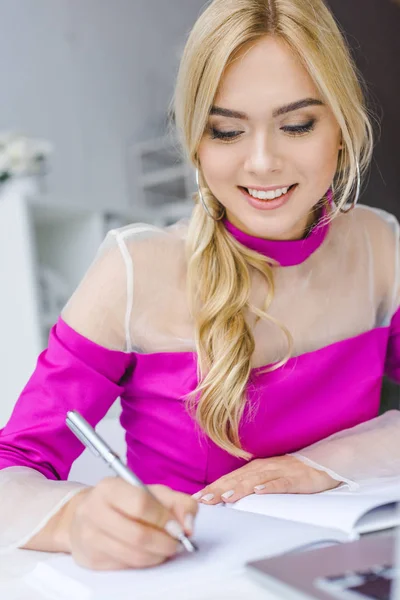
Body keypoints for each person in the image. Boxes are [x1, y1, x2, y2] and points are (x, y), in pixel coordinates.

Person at [1, 0, 400, 571]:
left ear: (342, 127)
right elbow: (12, 462)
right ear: (196, 140)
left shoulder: (379, 247)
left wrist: (327, 463)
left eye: (296, 125)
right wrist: (76, 519)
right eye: (227, 130)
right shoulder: (132, 271)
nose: (262, 162)